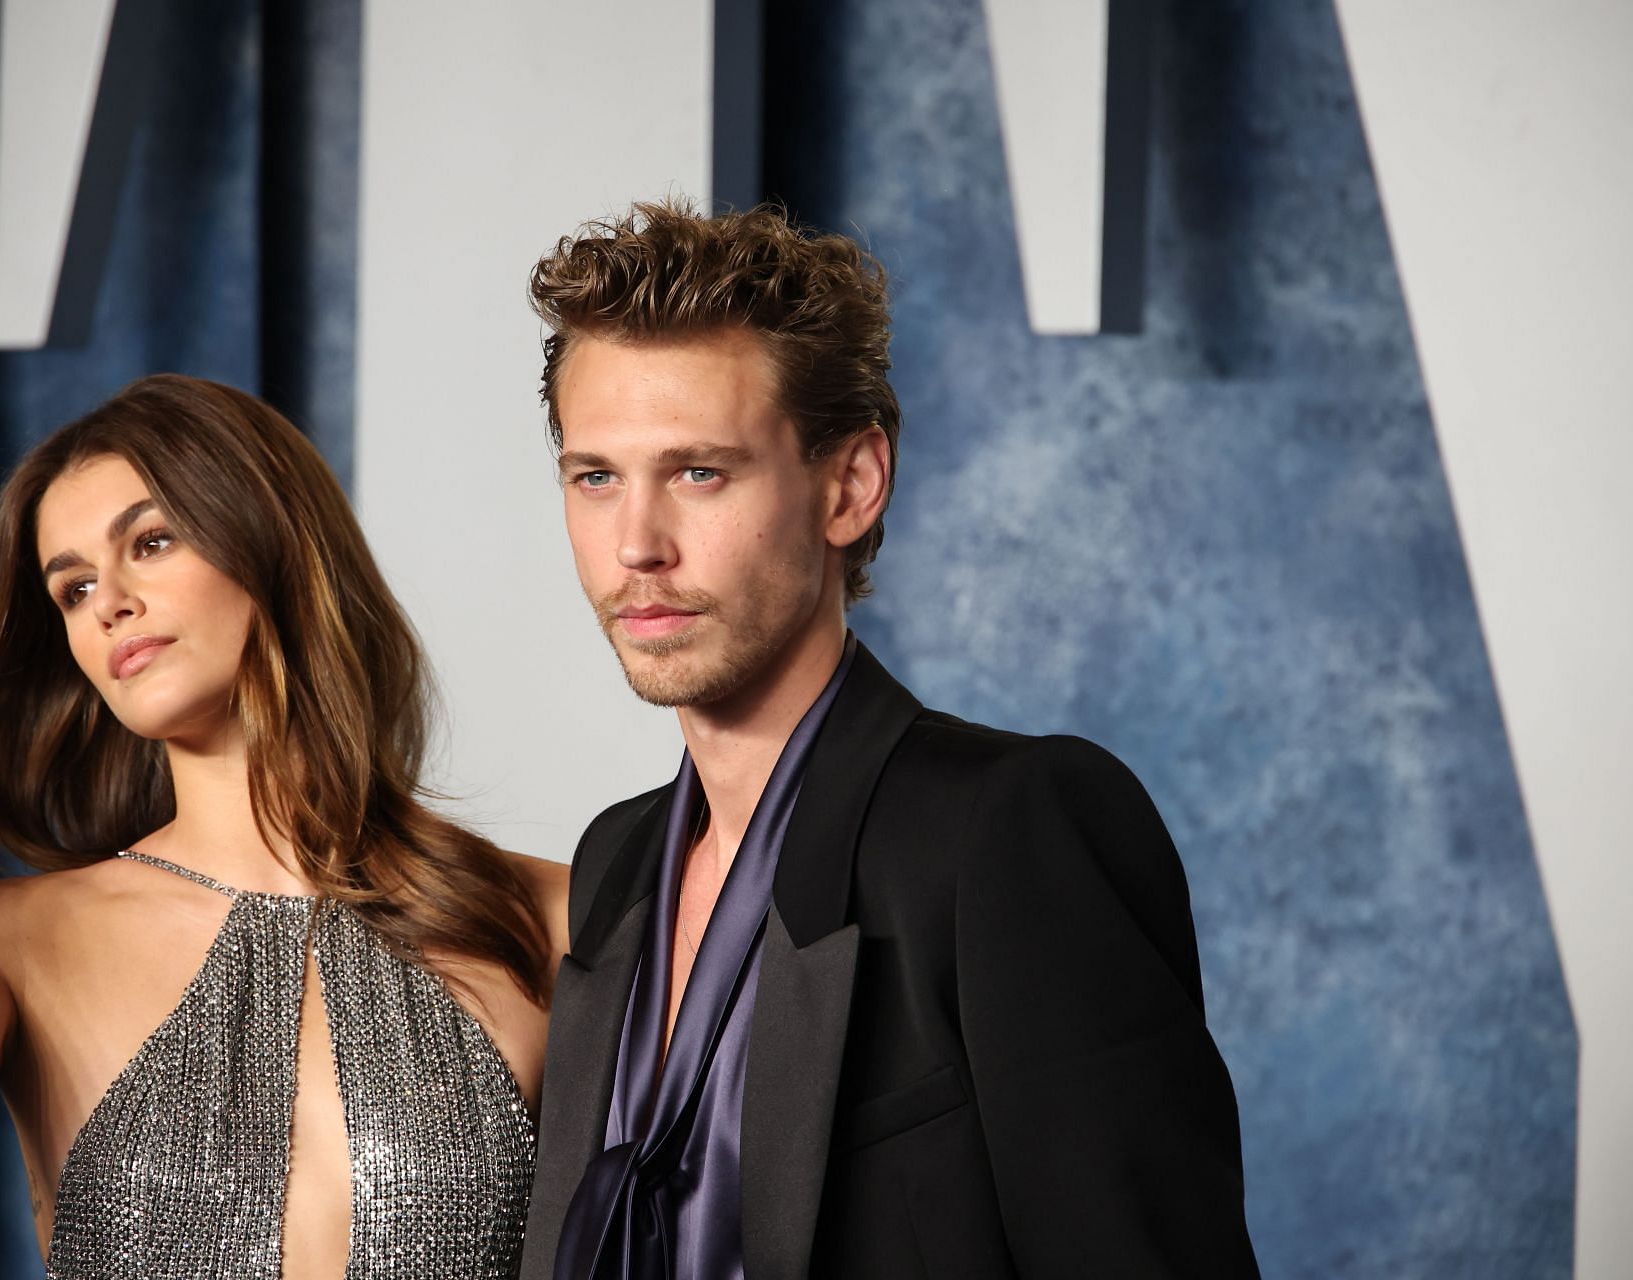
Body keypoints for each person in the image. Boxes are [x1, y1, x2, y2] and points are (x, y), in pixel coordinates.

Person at [519, 202, 1260, 1279]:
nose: (637, 545)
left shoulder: (1010, 828)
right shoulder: (617, 864)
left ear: (851, 484)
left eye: (699, 472)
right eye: (596, 477)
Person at [0, 374, 569, 1278]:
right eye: (71, 589)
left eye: (151, 542)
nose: (108, 602)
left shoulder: (549, 913)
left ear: (270, 541)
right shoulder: (4, 938)